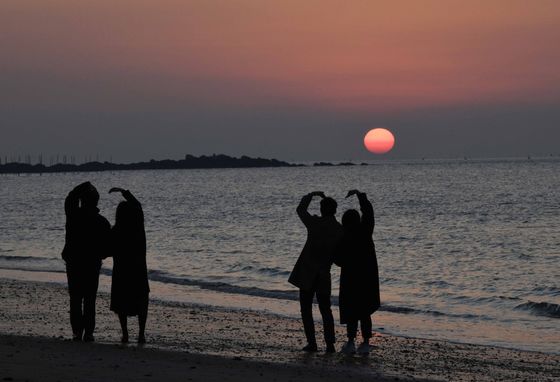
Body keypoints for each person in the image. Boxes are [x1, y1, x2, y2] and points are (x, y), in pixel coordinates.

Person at [289, 191, 342, 353]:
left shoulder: (315, 223)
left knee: (306, 309)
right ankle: (330, 344)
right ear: (334, 211)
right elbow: (340, 258)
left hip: (307, 272)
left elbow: (300, 210)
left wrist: (310, 195)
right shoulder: (339, 230)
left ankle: (312, 343)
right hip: (324, 274)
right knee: (325, 309)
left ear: (322, 209)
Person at [62, 181, 111, 342]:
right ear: (96, 202)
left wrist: (82, 187)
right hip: (91, 264)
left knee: (75, 298)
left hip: (74, 262)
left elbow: (70, 198)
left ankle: (77, 332)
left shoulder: (73, 215)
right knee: (90, 299)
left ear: (82, 200)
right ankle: (88, 333)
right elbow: (108, 249)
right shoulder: (102, 222)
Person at [334, 190, 380, 355]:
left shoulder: (344, 237)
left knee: (352, 311)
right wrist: (361, 196)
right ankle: (366, 342)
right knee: (365, 311)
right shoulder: (365, 232)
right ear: (358, 220)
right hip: (367, 278)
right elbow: (369, 213)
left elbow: (337, 260)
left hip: (350, 279)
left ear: (345, 222)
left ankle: (351, 342)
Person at [108, 187, 149, 344]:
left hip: (121, 270)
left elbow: (108, 249)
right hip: (138, 269)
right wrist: (125, 192)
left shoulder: (116, 231)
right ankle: (141, 334)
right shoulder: (138, 229)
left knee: (121, 301)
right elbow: (138, 206)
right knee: (142, 300)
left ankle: (125, 334)